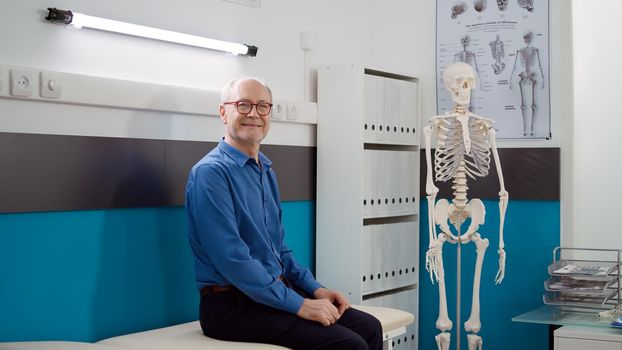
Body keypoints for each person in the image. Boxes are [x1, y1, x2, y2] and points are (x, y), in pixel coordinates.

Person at [185, 77, 382, 350]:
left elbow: (280, 251)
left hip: (269, 294)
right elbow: (233, 259)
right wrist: (299, 304)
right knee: (346, 344)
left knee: (369, 327)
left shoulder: (266, 171)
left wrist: (315, 289)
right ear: (223, 112)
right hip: (230, 307)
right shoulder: (210, 173)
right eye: (243, 105)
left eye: (262, 106)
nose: (253, 113)